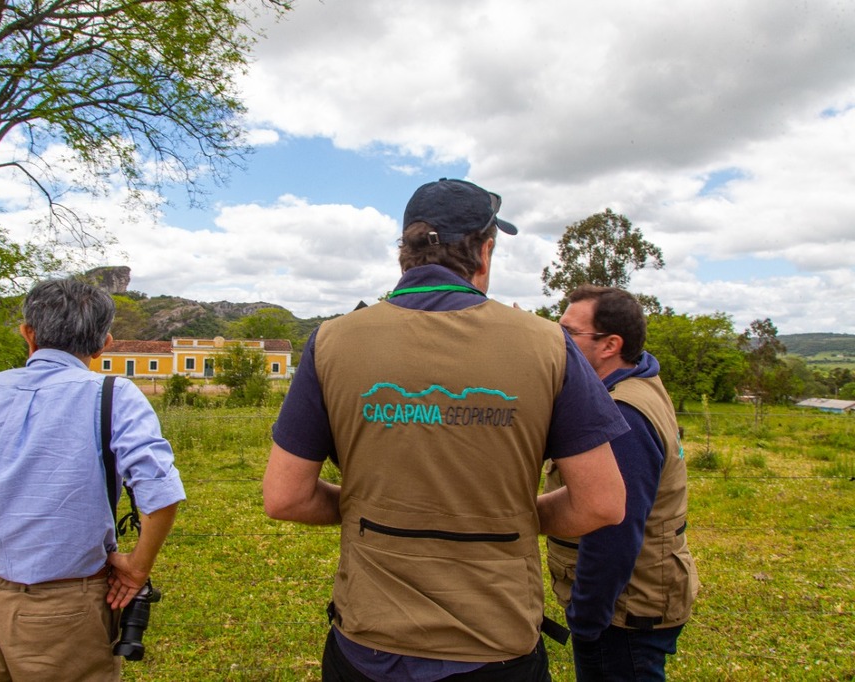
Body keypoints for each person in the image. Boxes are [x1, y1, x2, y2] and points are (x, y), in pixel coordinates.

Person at [263, 178, 629, 682]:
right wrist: (509, 515)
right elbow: (601, 502)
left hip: (367, 640)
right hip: (495, 642)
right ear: (485, 250)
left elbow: (284, 496)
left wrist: (368, 507)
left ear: (405, 252)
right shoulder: (548, 345)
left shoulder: (332, 341)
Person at [0, 278, 186, 681]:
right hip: (69, 606)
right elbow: (159, 493)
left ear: (28, 333)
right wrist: (136, 568)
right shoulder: (115, 394)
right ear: (103, 343)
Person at [546, 285, 699, 681]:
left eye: (568, 333)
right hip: (634, 598)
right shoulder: (639, 383)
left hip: (624, 611)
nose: (557, 339)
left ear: (611, 344)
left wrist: (587, 616)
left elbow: (613, 526)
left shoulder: (622, 414)